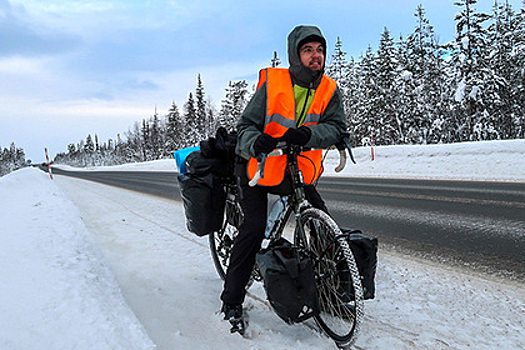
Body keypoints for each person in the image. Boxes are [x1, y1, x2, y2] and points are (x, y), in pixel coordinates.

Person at [220, 25, 347, 331]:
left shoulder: (329, 89)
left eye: (319, 50)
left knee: (323, 225)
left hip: (294, 168)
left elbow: (336, 126)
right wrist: (257, 142)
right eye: (308, 50)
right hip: (257, 167)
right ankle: (231, 301)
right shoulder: (274, 84)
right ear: (295, 54)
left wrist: (308, 134)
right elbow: (246, 126)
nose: (315, 56)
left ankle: (331, 293)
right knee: (252, 229)